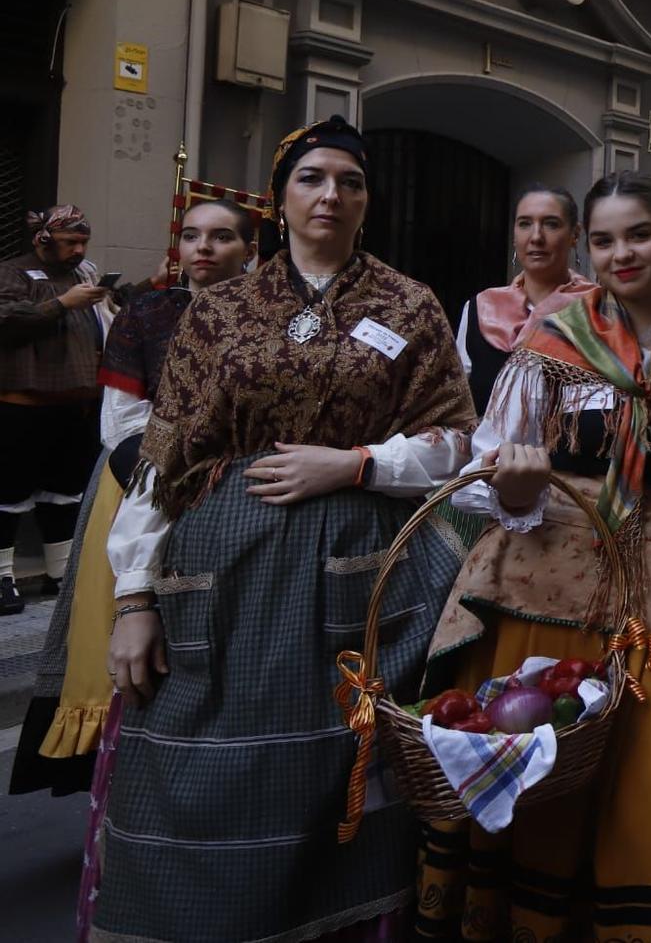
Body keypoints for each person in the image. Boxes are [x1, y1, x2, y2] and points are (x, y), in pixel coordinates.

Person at [96, 117, 477, 943]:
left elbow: (454, 442)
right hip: (220, 574)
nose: (330, 194)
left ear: (367, 200)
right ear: (279, 199)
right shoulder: (222, 310)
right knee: (200, 763)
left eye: (349, 180)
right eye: (311, 178)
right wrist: (133, 596)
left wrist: (356, 464)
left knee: (344, 765)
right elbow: (167, 457)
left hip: (365, 572)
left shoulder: (409, 305)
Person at [416, 171, 651, 941]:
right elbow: (483, 473)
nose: (620, 253)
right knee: (542, 750)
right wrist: (515, 488)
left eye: (638, 233)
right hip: (541, 578)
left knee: (650, 775)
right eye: (603, 240)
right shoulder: (549, 344)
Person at [9, 198, 258, 801]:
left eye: (221, 237)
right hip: (140, 481)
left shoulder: (276, 318)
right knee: (128, 635)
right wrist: (187, 456)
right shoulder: (148, 313)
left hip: (246, 492)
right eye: (192, 235)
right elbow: (120, 421)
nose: (202, 248)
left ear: (249, 251)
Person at [0, 205, 166, 615]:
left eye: (82, 242)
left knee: (64, 493)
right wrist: (63, 303)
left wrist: (153, 283)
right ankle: (4, 579)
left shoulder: (83, 274)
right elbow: (6, 318)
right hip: (22, 405)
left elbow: (119, 303)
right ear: (43, 240)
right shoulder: (13, 272)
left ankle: (61, 573)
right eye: (70, 242)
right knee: (8, 493)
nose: (78, 249)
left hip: (77, 406)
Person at [456, 183, 594, 413]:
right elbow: (458, 407)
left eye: (551, 224)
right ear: (514, 235)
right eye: (525, 224)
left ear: (575, 235)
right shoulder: (480, 309)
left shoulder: (598, 309)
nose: (536, 237)